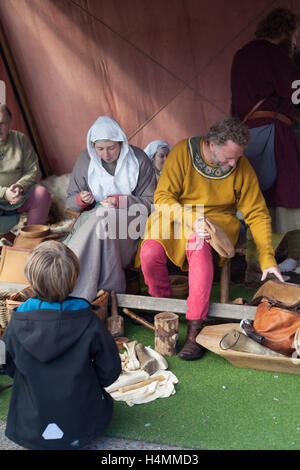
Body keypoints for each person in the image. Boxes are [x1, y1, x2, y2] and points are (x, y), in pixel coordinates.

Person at [138, 117, 284, 361]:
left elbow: (257, 212)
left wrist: (267, 258)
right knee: (149, 252)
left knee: (199, 244)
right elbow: (163, 197)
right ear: (211, 144)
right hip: (177, 216)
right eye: (228, 157)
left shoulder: (241, 165)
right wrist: (189, 217)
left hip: (217, 221)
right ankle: (163, 310)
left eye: (237, 157)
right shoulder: (183, 153)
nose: (233, 163)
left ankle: (196, 326)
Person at [0, 240, 121, 450]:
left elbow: (4, 363)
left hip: (28, 426)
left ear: (31, 277)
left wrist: (26, 377)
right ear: (74, 278)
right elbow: (110, 370)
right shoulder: (88, 318)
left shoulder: (17, 319)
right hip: (81, 424)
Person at [231, 8, 300, 280]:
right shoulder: (275, 55)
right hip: (274, 135)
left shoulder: (241, 54)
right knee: (289, 196)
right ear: (285, 32)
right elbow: (296, 92)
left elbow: (235, 103)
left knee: (254, 200)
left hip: (247, 134)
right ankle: (294, 259)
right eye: (293, 36)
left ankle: (252, 267)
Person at [65, 115, 156, 301]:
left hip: (130, 224)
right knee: (102, 216)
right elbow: (69, 202)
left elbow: (152, 202)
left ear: (121, 142)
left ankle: (70, 275)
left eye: (111, 148)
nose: (106, 154)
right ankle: (102, 291)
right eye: (100, 149)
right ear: (93, 147)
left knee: (105, 215)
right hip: (93, 219)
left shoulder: (139, 159)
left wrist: (120, 201)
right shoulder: (85, 159)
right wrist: (81, 200)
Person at [0, 104, 50, 233]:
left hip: (19, 197)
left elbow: (33, 170)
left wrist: (20, 186)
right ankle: (12, 225)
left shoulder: (20, 139)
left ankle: (29, 238)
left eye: (2, 123)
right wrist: (5, 193)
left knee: (41, 194)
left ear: (10, 123)